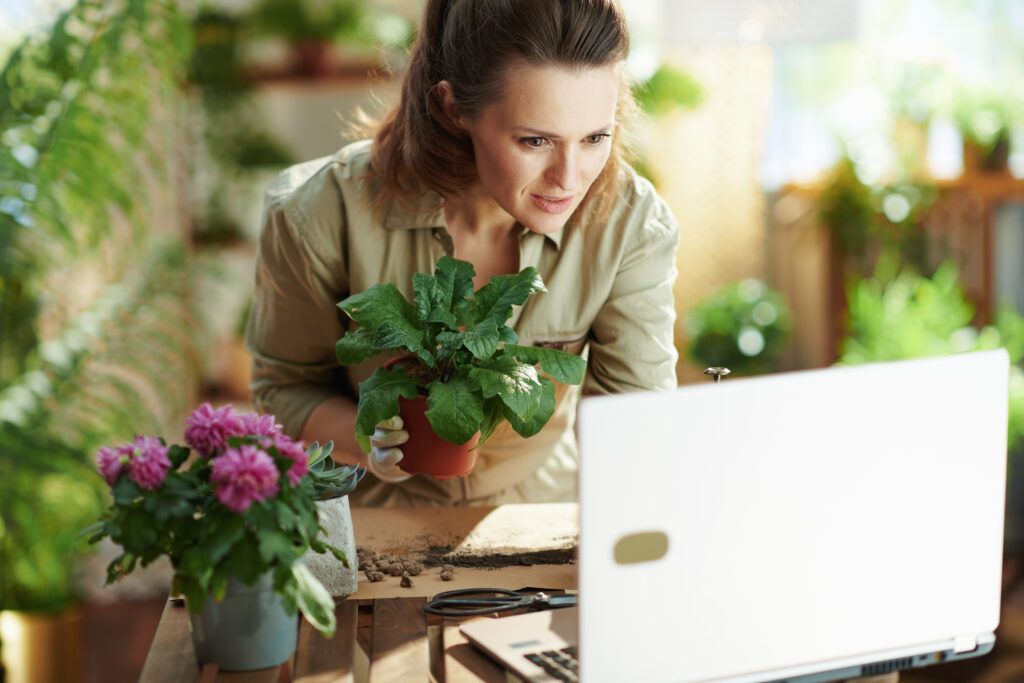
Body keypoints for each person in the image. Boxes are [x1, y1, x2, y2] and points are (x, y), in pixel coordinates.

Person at [245, 0, 679, 507]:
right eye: (535, 140)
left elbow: (635, 427)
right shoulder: (317, 212)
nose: (570, 178)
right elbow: (284, 390)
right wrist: (372, 442)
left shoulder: (631, 224)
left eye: (594, 138)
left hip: (539, 512)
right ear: (454, 109)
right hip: (373, 517)